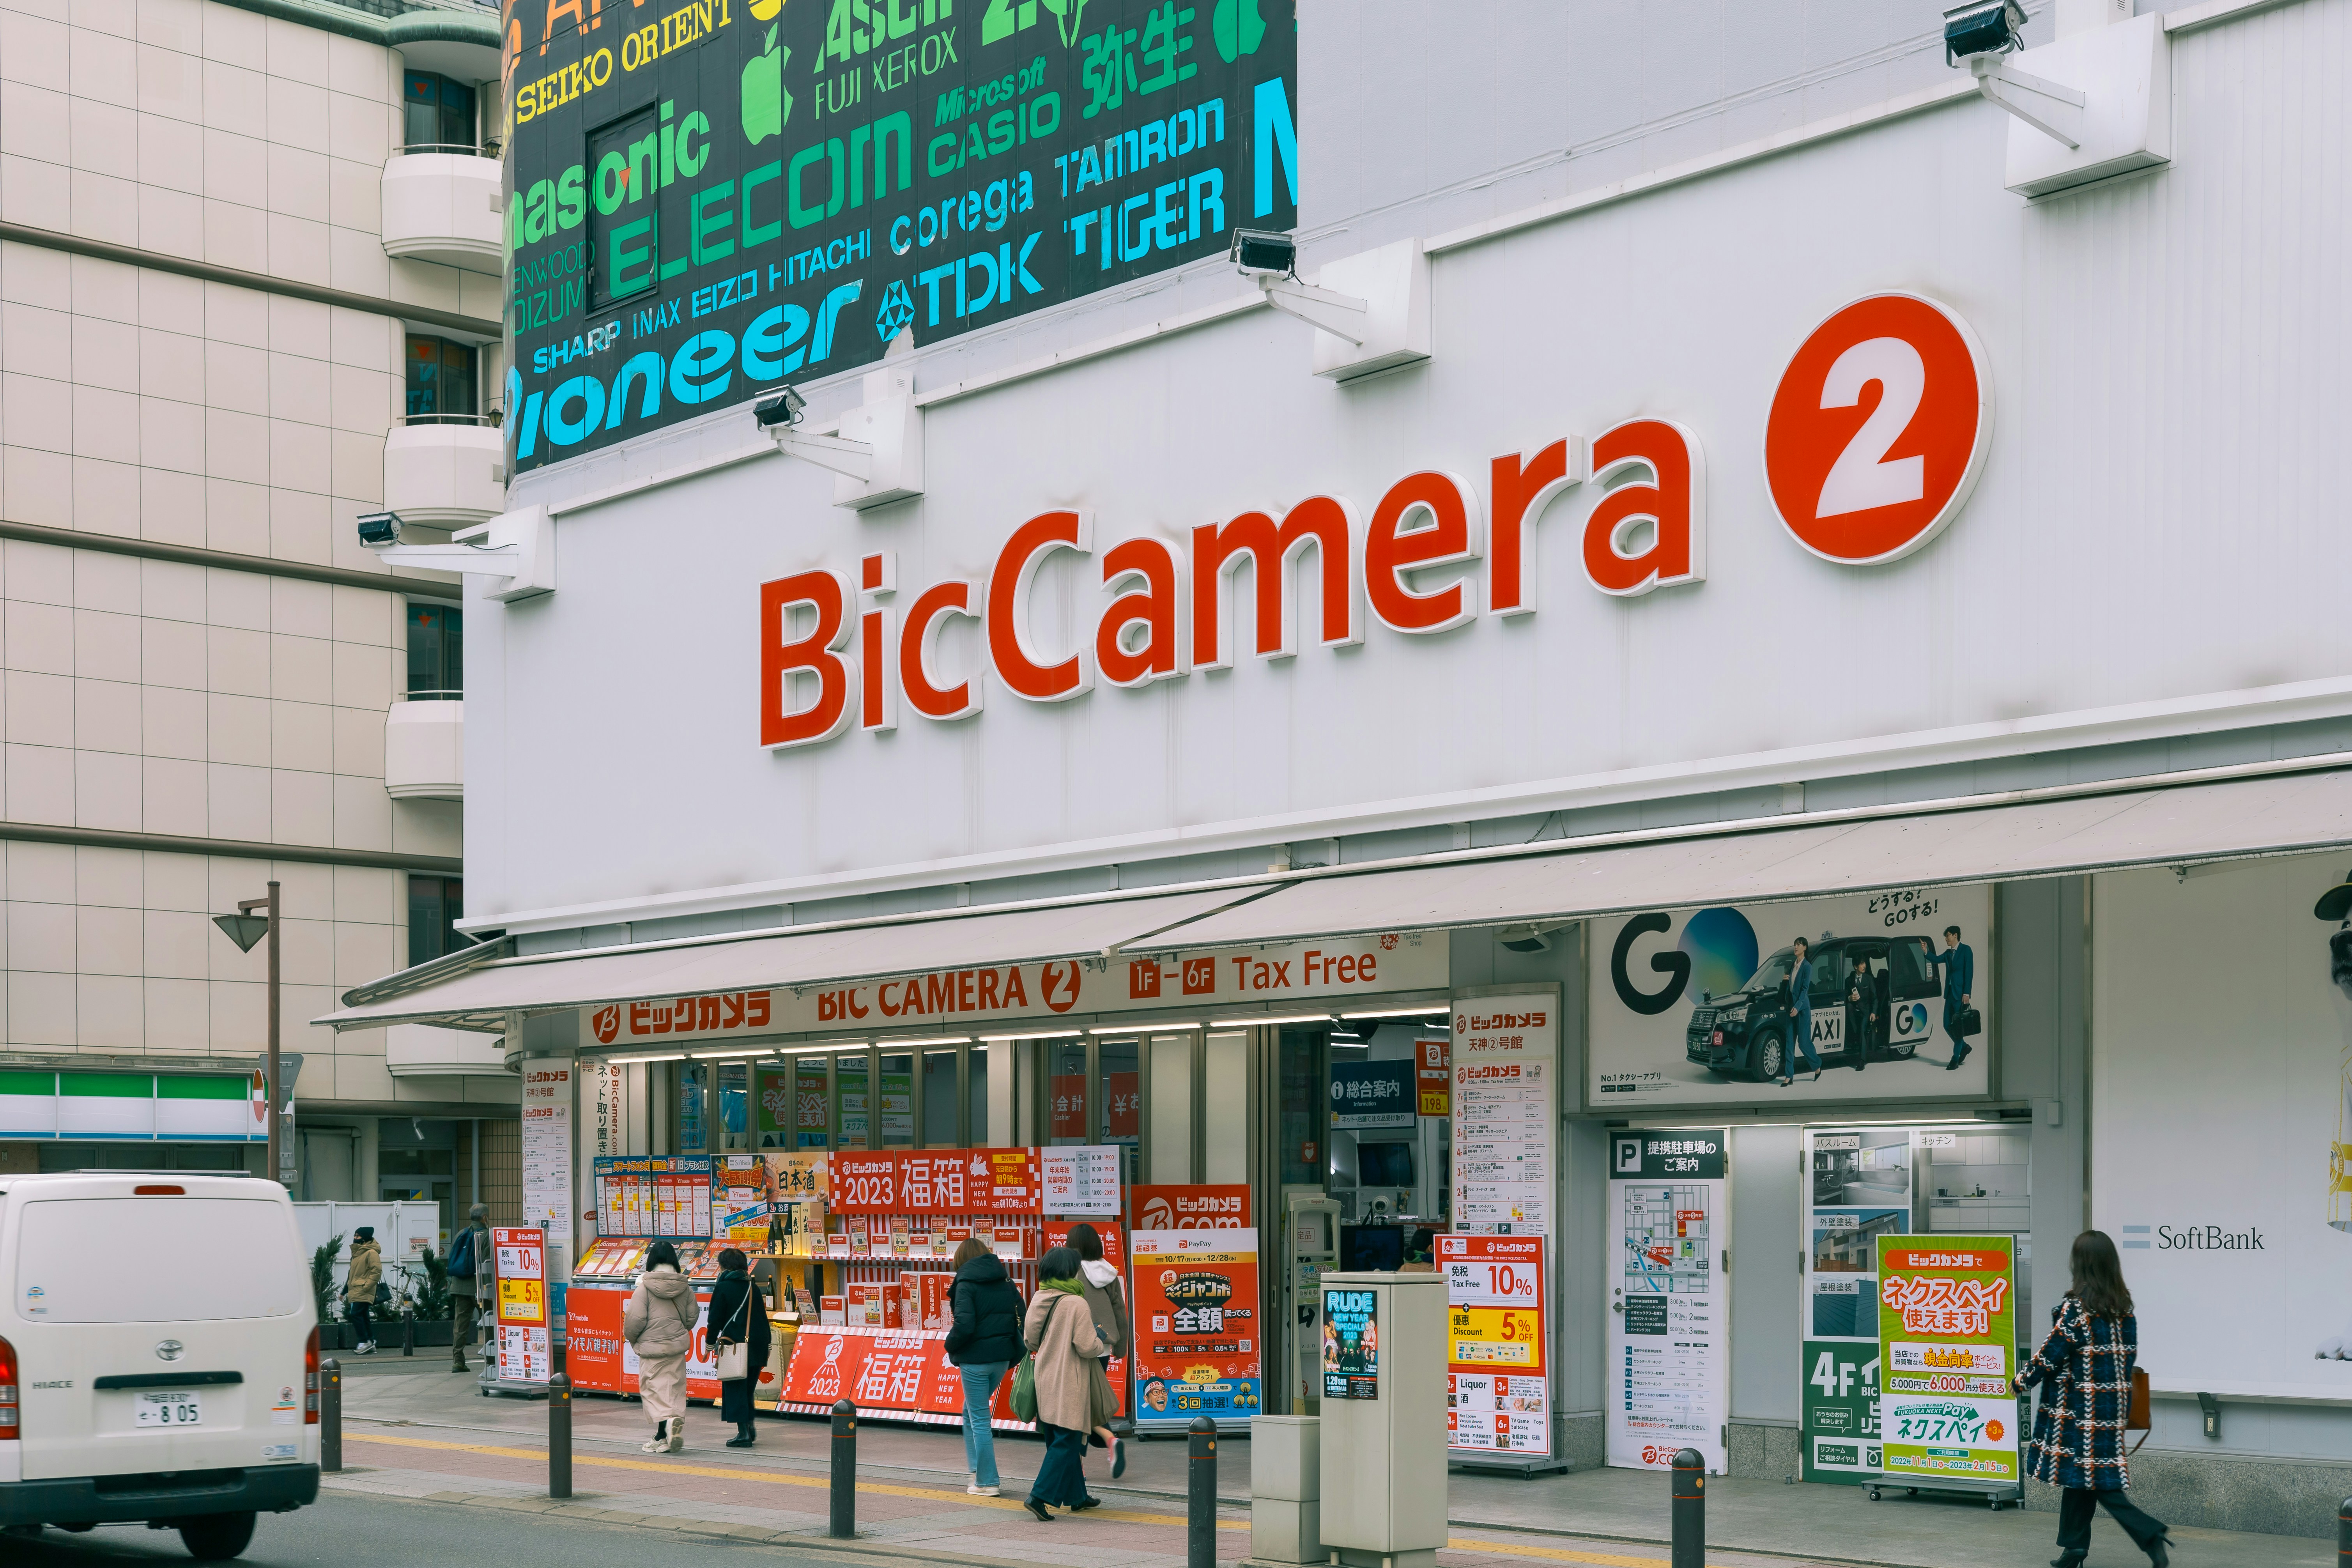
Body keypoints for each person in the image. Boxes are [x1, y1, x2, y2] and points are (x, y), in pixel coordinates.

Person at [2014, 1231, 2171, 1568]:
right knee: (2081, 1477)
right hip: (2111, 1407)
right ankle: (2073, 1549)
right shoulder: (2122, 1310)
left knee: (2099, 1481)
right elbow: (2127, 1359)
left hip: (2079, 1410)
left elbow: (2051, 1354)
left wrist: (2021, 1381)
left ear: (2081, 1264)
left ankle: (2150, 1534)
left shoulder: (2077, 1309)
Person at [1021, 1246, 1113, 1522]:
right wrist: (1098, 1339)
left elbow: (1030, 1340)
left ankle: (1077, 1497)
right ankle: (1039, 1497)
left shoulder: (1039, 1297)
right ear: (1069, 1271)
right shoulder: (1076, 1303)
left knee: (1057, 1436)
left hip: (1045, 1375)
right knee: (1068, 1440)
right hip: (1069, 1380)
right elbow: (1086, 1347)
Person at [945, 1236, 1024, 1496]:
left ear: (960, 1260)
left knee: (979, 1418)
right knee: (970, 1412)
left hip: (975, 1360)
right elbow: (1021, 1316)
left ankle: (987, 1482)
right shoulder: (1006, 1281)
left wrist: (950, 1345)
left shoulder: (965, 1284)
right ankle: (976, 1470)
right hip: (1002, 1359)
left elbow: (964, 1325)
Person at [1065, 1223, 1130, 1478]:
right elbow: (1120, 1312)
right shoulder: (1109, 1272)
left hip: (1076, 1346)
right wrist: (1121, 1347)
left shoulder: (1069, 1272)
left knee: (1076, 1406)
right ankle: (1107, 1443)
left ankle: (1085, 1459)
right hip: (1102, 1346)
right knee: (1089, 1402)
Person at [624, 1239, 700, 1453]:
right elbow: (691, 1319)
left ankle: (665, 1431)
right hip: (676, 1348)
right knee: (672, 1390)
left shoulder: (644, 1288)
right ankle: (664, 1434)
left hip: (651, 1350)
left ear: (652, 1262)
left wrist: (632, 1338)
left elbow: (634, 1322)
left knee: (652, 1391)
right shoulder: (685, 1288)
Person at [706, 1246, 772, 1449]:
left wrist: (710, 1344)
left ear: (725, 1267)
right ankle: (749, 1427)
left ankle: (743, 1434)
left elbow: (715, 1319)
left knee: (735, 1389)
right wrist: (768, 1344)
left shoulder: (723, 1287)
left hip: (735, 1346)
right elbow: (762, 1317)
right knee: (748, 1389)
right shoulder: (752, 1287)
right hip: (757, 1345)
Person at [447, 1203, 492, 1373]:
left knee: (460, 1326)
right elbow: (487, 1264)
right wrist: (489, 1291)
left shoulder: (461, 1234)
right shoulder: (487, 1235)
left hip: (459, 1287)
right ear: (485, 1218)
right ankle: (492, 1361)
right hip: (480, 1288)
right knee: (489, 1324)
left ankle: (458, 1362)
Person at [1929, 924, 1977, 1071]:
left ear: (1955, 935)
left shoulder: (1966, 950)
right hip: (1950, 994)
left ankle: (1955, 1059)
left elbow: (1969, 972)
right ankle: (1965, 1047)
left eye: (1948, 936)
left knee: (1958, 1028)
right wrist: (1925, 952)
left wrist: (1967, 993)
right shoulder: (1948, 953)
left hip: (1960, 995)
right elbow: (1936, 959)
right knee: (1946, 1025)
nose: (1946, 939)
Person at [1781, 936, 1820, 1086]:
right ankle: (1789, 1076)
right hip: (1790, 1008)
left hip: (1802, 1009)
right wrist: (1785, 980)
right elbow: (1791, 988)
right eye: (1795, 945)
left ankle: (1817, 1065)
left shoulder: (1807, 967)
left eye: (1799, 945)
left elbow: (1804, 990)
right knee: (1789, 1043)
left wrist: (1797, 1007)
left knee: (1803, 1044)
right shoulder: (1793, 965)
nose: (1796, 947)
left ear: (1805, 948)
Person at [343, 1227, 382, 1356]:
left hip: (363, 1290)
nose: (355, 1238)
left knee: (355, 1314)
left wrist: (366, 1287)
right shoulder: (358, 1254)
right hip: (357, 1290)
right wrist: (345, 1291)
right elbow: (352, 1275)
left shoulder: (371, 1253)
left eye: (358, 1236)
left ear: (365, 1238)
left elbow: (376, 1272)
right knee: (364, 1316)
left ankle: (364, 1342)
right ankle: (370, 1342)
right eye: (355, 1235)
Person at [1844, 954, 1879, 1073]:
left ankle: (1862, 1061)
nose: (1864, 966)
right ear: (1855, 967)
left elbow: (1875, 998)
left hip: (1866, 1012)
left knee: (1862, 1031)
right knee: (1849, 1007)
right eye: (1862, 964)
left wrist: (1873, 1013)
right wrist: (1850, 998)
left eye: (1865, 963)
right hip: (1854, 1011)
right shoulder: (1849, 980)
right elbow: (1845, 996)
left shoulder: (1869, 979)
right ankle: (1856, 1034)